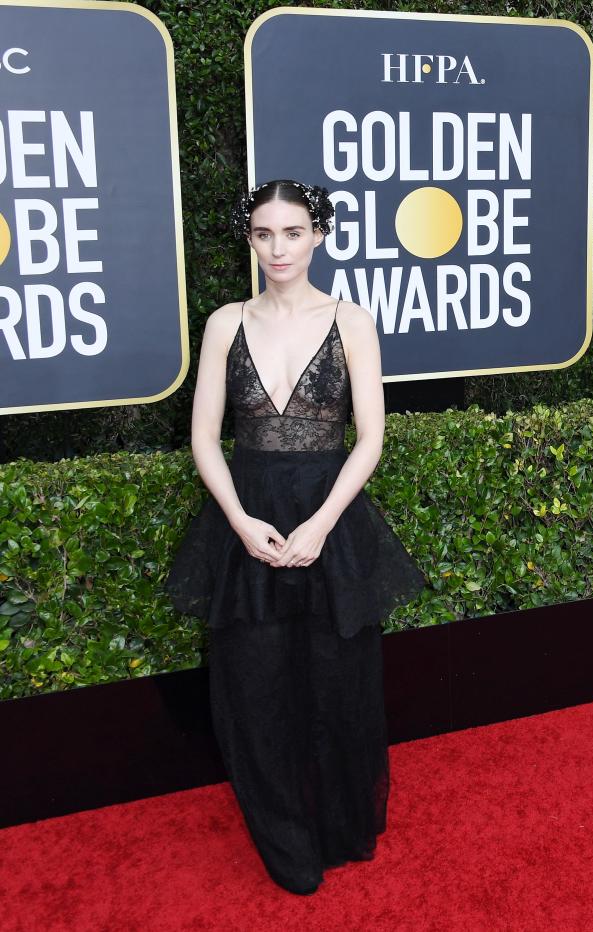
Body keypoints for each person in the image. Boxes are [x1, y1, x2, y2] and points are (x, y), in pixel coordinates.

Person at [166, 179, 424, 892]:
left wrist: (321, 522)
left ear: (319, 234)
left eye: (292, 232)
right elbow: (205, 440)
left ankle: (339, 822)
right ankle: (284, 840)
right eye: (263, 234)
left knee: (339, 684)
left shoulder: (352, 321)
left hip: (328, 522)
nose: (278, 248)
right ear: (250, 239)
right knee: (254, 688)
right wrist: (241, 521)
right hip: (245, 524)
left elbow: (369, 439)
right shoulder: (224, 323)